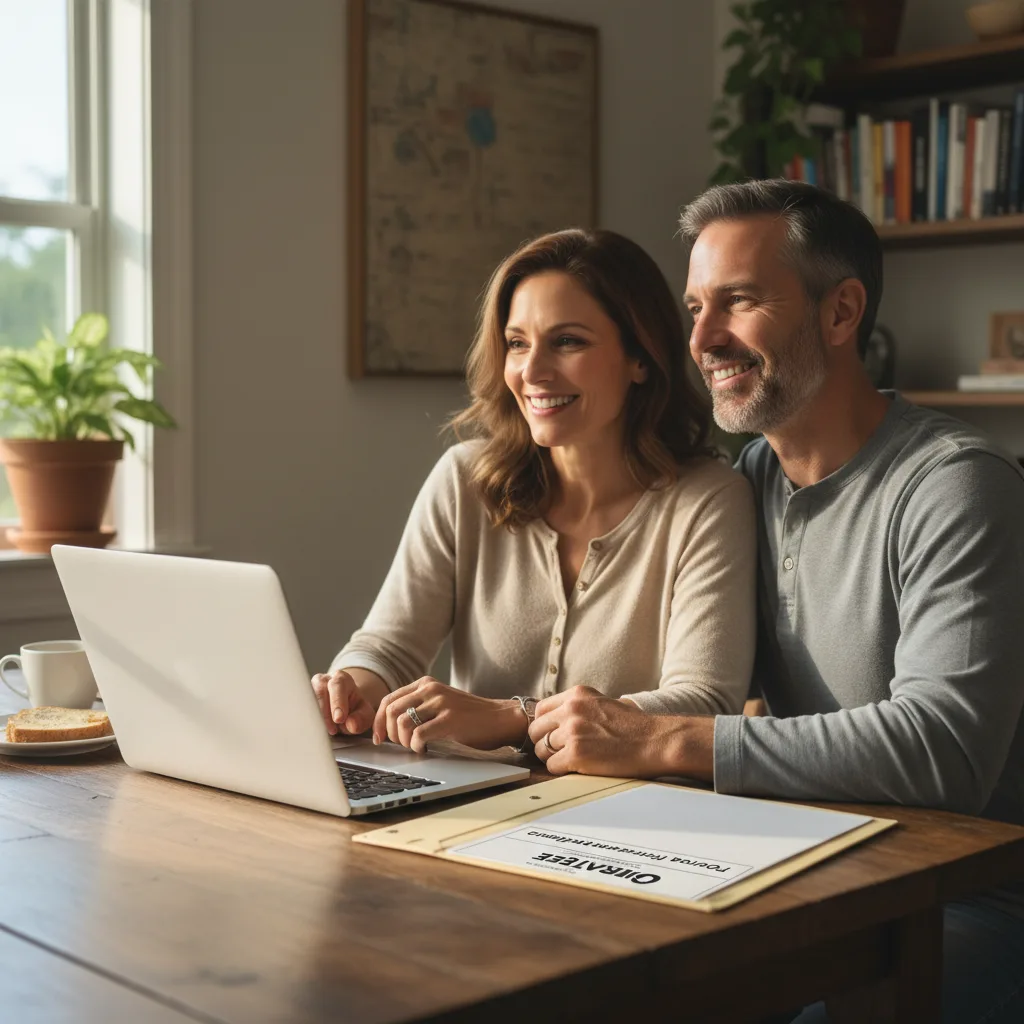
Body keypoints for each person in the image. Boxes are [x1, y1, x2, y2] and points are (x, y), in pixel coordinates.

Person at [526, 180, 1024, 1022]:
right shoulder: (741, 486)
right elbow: (694, 679)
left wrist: (669, 740)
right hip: (804, 864)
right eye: (693, 308)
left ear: (842, 312)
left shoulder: (954, 486)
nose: (703, 338)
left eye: (740, 302)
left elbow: (945, 753)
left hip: (968, 900)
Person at [312, 227, 756, 754]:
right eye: (518, 343)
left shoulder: (709, 502)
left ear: (641, 358)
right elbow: (389, 646)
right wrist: (352, 690)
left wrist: (514, 718)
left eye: (567, 341)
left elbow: (704, 703)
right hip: (463, 805)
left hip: (626, 814)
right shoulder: (464, 481)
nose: (533, 372)